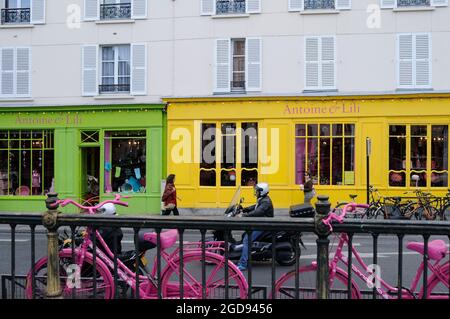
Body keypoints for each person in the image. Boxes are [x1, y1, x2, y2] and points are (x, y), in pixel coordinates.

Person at [236, 182, 274, 271]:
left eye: (257, 191)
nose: (255, 192)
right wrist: (244, 209)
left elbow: (258, 212)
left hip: (263, 225)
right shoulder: (263, 199)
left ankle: (243, 264)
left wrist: (244, 215)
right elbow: (255, 207)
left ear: (262, 192)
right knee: (245, 234)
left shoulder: (266, 202)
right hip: (260, 223)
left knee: (246, 240)